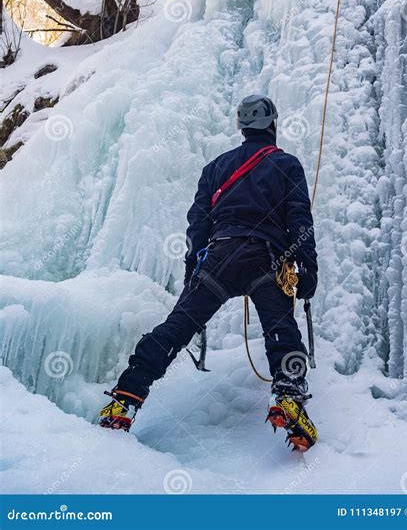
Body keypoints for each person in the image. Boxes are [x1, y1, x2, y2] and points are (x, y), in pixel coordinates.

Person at [99, 95, 319, 451]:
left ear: (242, 126)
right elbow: (299, 221)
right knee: (281, 329)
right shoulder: (287, 165)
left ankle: (125, 397)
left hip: (218, 258)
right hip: (265, 258)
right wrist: (307, 266)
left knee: (175, 329)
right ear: (273, 124)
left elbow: (197, 226)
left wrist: (193, 274)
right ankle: (288, 394)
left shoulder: (216, 167)